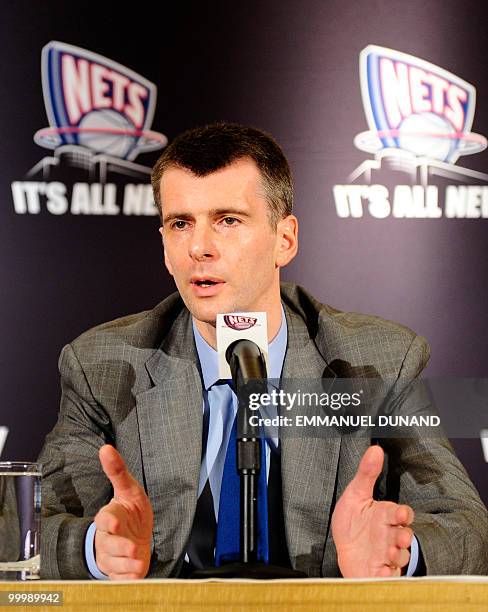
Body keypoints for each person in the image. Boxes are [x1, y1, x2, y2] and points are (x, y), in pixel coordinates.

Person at [38, 123, 488, 580]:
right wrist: (96, 547)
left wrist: (401, 552)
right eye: (181, 224)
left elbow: (467, 527)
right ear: (165, 250)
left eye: (228, 220)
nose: (200, 247)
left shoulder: (377, 362)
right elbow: (29, 526)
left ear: (284, 239)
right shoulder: (105, 366)